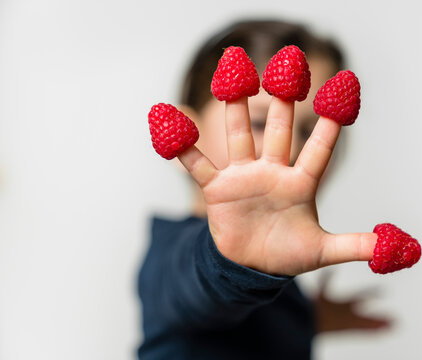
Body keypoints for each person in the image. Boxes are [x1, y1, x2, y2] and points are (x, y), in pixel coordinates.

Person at [138, 19, 390, 360]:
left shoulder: (273, 264)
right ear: (185, 132)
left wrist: (302, 317)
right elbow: (197, 287)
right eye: (259, 122)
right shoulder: (172, 260)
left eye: (311, 130)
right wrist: (229, 262)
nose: (288, 148)